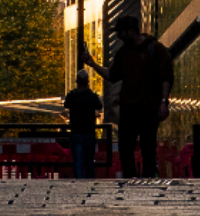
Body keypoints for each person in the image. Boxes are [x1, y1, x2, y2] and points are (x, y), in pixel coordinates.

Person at [113, 24, 174, 182]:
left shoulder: (156, 49)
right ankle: (130, 178)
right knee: (125, 147)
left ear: (131, 31)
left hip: (149, 107)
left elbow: (166, 77)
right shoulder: (123, 52)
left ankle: (147, 178)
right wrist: (92, 63)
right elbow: (113, 75)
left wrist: (163, 102)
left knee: (147, 147)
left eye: (121, 32)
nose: (119, 37)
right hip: (128, 107)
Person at [64, 59, 99, 182]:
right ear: (87, 82)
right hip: (89, 132)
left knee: (78, 161)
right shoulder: (92, 96)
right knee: (89, 160)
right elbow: (99, 106)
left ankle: (79, 181)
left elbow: (66, 105)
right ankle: (90, 181)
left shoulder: (72, 95)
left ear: (77, 82)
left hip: (76, 131)